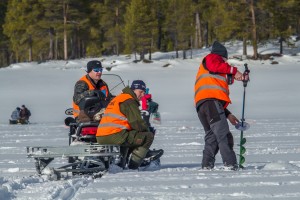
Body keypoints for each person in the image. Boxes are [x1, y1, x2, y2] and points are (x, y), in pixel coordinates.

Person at [194, 41, 245, 170]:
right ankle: (231, 165)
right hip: (210, 104)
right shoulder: (212, 58)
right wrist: (234, 70)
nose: (225, 64)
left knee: (212, 137)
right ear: (222, 56)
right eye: (225, 60)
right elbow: (216, 66)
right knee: (224, 136)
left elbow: (217, 86)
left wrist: (228, 115)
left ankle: (206, 166)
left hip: (204, 106)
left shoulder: (213, 72)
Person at [96, 80, 163, 170]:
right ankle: (133, 167)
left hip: (101, 136)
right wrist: (147, 131)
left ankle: (122, 164)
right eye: (141, 92)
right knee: (148, 136)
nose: (143, 95)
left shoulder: (119, 98)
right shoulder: (129, 101)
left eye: (144, 92)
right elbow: (136, 122)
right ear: (134, 90)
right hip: (115, 135)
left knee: (130, 137)